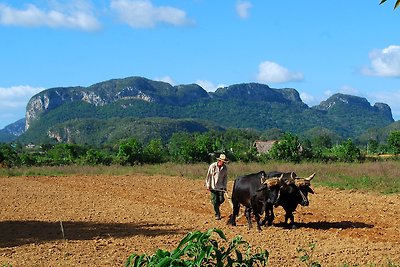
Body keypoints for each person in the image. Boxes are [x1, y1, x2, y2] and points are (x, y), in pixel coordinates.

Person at [205, 153, 228, 220]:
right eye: (222, 162)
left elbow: (225, 178)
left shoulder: (225, 168)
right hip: (213, 186)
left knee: (221, 200)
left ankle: (216, 205)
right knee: (215, 201)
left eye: (224, 162)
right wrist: (208, 185)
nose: (223, 163)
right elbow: (208, 176)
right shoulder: (212, 166)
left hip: (220, 186)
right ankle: (217, 214)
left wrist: (225, 186)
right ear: (219, 161)